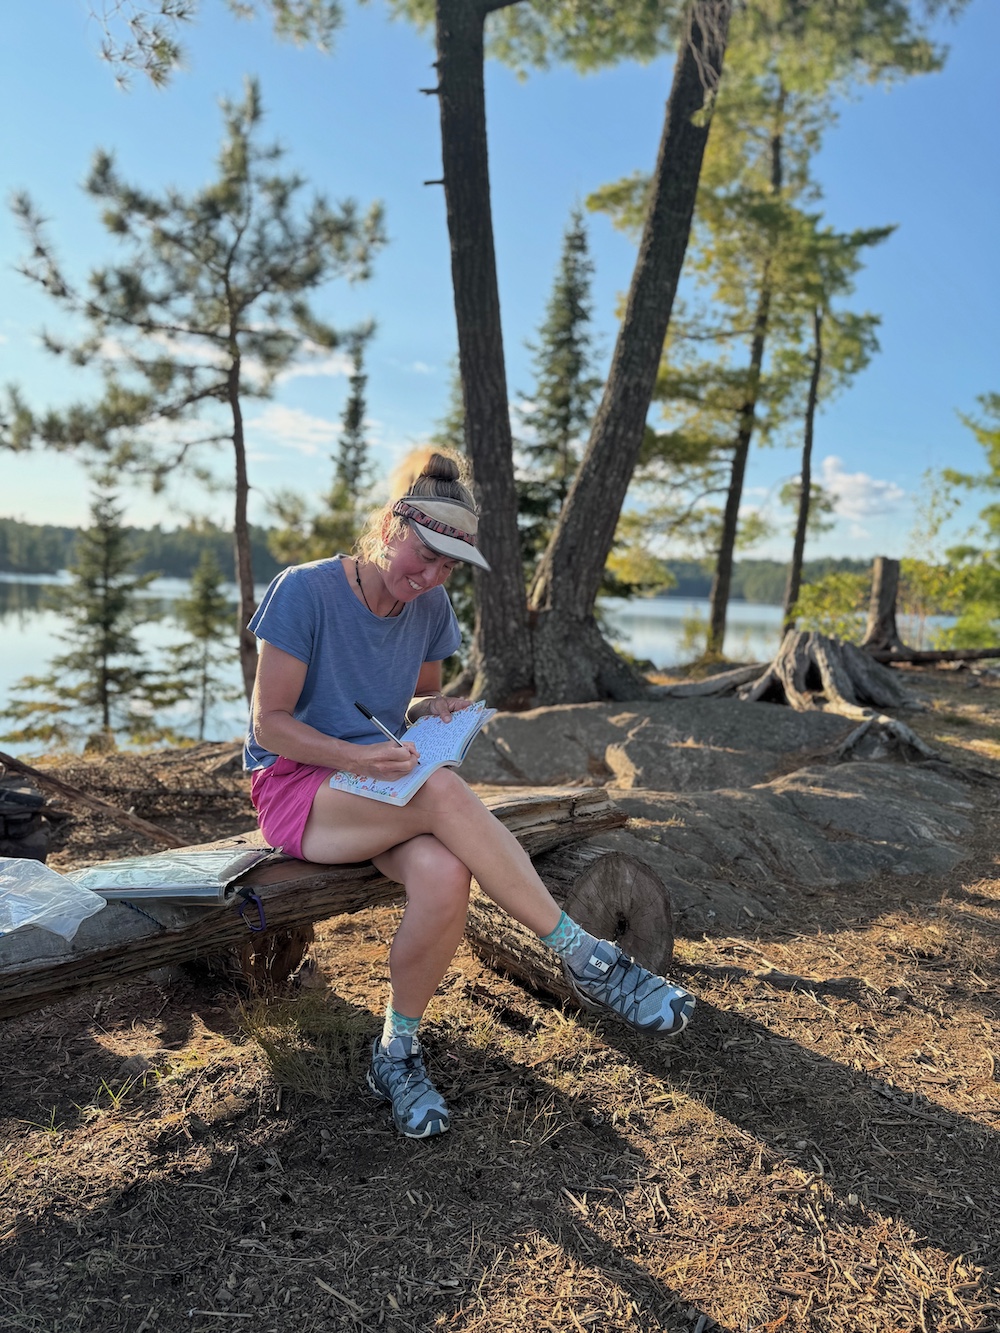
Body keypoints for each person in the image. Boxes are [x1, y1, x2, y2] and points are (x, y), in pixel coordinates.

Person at [244, 448, 695, 1140]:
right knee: (445, 794)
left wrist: (436, 711)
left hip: (378, 784)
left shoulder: (429, 609)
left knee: (446, 872)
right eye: (424, 555)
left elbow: (415, 699)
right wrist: (361, 755)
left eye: (448, 566)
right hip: (299, 788)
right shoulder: (304, 591)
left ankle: (396, 1052)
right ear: (392, 526)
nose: (430, 577)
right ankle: (583, 954)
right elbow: (268, 724)